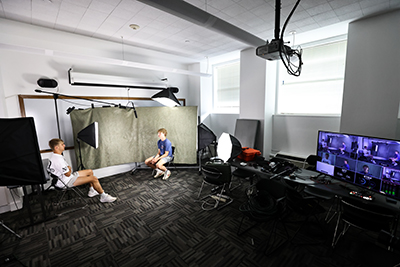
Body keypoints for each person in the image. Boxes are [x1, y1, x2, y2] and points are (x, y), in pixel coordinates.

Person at [47, 138, 117, 203]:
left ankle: (92, 191)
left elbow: (67, 172)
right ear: (57, 147)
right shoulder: (58, 160)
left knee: (89, 172)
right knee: (94, 179)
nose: (64, 145)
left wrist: (68, 169)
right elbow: (67, 174)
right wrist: (69, 168)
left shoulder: (55, 156)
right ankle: (103, 196)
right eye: (62, 144)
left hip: (66, 178)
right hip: (65, 182)